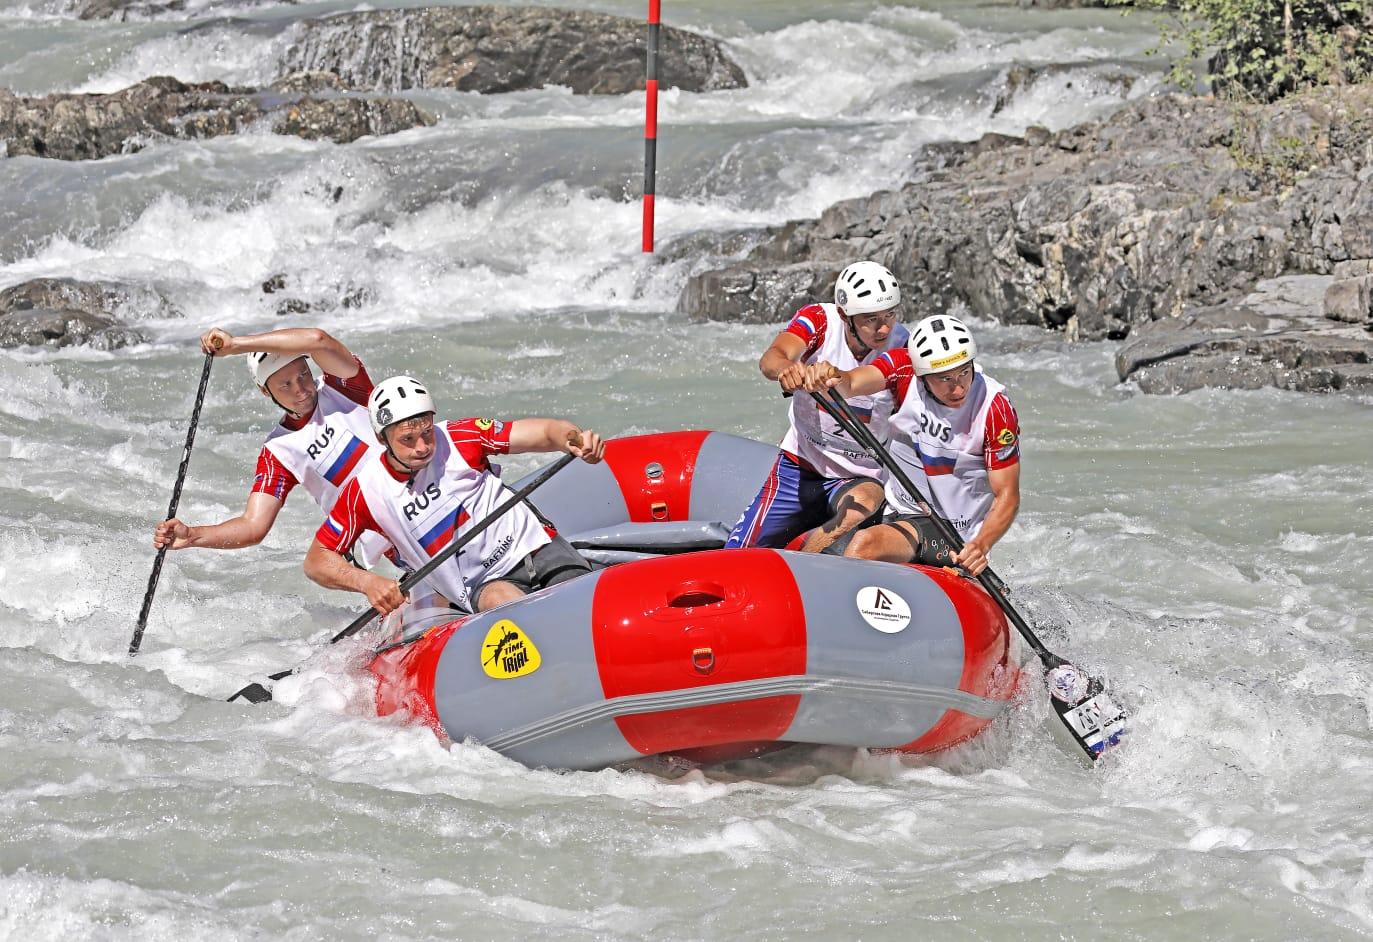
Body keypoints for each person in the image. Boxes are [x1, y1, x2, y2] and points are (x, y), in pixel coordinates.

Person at [304, 375, 605, 615]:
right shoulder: (366, 493)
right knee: (506, 604)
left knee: (583, 605)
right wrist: (366, 581)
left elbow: (544, 431)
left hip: (536, 545)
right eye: (407, 439)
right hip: (486, 584)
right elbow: (317, 561)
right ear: (382, 438)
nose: (422, 447)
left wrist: (574, 440)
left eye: (426, 432)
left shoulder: (462, 436)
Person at [152, 327, 393, 566]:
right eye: (285, 385)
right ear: (265, 391)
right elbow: (253, 525)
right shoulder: (278, 452)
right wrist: (193, 535)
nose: (300, 389)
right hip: (396, 543)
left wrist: (236, 345)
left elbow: (317, 340)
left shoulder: (344, 386)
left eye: (303, 375)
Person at [807, 314, 1021, 577]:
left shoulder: (995, 408)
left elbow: (1007, 495)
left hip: (951, 532)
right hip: (896, 507)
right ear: (921, 375)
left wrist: (981, 545)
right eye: (944, 379)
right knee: (830, 533)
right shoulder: (905, 370)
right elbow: (849, 382)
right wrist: (828, 376)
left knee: (864, 545)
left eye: (964, 372)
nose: (958, 389)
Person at [725, 260, 909, 553]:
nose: (884, 327)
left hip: (861, 476)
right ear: (844, 316)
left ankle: (804, 566)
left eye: (890, 314)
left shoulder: (904, 349)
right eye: (871, 319)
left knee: (864, 502)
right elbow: (773, 357)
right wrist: (787, 368)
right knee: (736, 555)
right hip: (799, 467)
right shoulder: (820, 321)